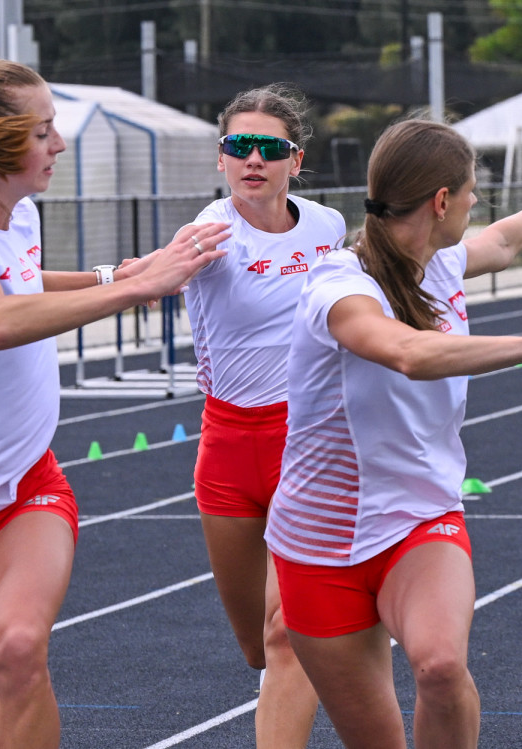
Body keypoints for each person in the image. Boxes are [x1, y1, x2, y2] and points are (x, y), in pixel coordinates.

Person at [264, 117, 522, 749]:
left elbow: (499, 242)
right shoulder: (338, 283)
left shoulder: (437, 261)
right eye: (470, 191)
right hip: (319, 543)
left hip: (418, 519)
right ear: (442, 202)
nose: (475, 203)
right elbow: (406, 353)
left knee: (440, 666)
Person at [0, 53, 229, 749]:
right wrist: (135, 292)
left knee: (21, 652)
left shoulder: (18, 215)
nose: (59, 144)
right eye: (43, 131)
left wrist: (116, 272)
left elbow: (22, 282)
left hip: (25, 492)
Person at [174, 85, 346, 748]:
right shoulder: (207, 231)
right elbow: (152, 279)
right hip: (225, 449)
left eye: (269, 148)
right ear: (221, 160)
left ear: (295, 160)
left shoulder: (328, 228)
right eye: (238, 146)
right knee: (256, 644)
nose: (253, 158)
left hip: (305, 442)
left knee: (286, 634)